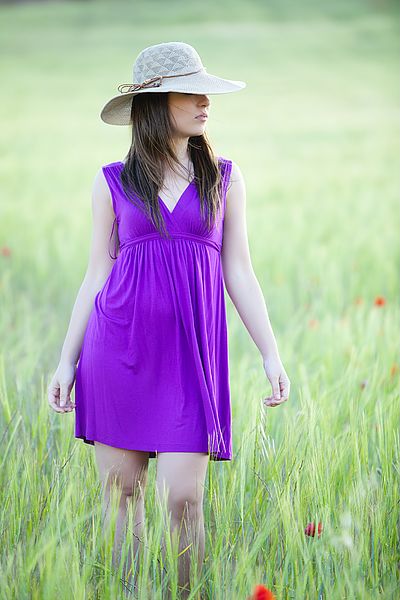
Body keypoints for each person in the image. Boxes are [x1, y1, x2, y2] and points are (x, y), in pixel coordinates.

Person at [47, 42, 290, 598]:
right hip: (117, 351)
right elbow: (95, 274)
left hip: (189, 358)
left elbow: (241, 273)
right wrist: (66, 361)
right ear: (157, 104)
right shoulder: (110, 181)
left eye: (207, 91)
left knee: (185, 498)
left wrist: (270, 353)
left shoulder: (225, 179)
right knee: (121, 497)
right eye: (191, 91)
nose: (206, 101)